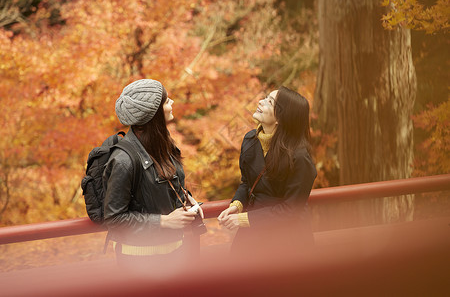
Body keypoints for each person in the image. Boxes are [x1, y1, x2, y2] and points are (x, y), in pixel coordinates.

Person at [103, 79, 204, 268]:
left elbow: (163, 187)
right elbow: (114, 218)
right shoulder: (123, 160)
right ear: (153, 115)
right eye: (166, 101)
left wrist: (187, 200)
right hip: (139, 262)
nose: (172, 102)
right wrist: (163, 221)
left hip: (176, 254)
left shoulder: (165, 146)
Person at [218, 86, 317, 255]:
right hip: (252, 233)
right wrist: (237, 205)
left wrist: (244, 219)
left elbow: (291, 210)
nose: (260, 102)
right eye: (265, 98)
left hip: (287, 240)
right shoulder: (250, 140)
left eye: (269, 102)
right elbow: (247, 183)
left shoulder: (300, 158)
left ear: (281, 117)